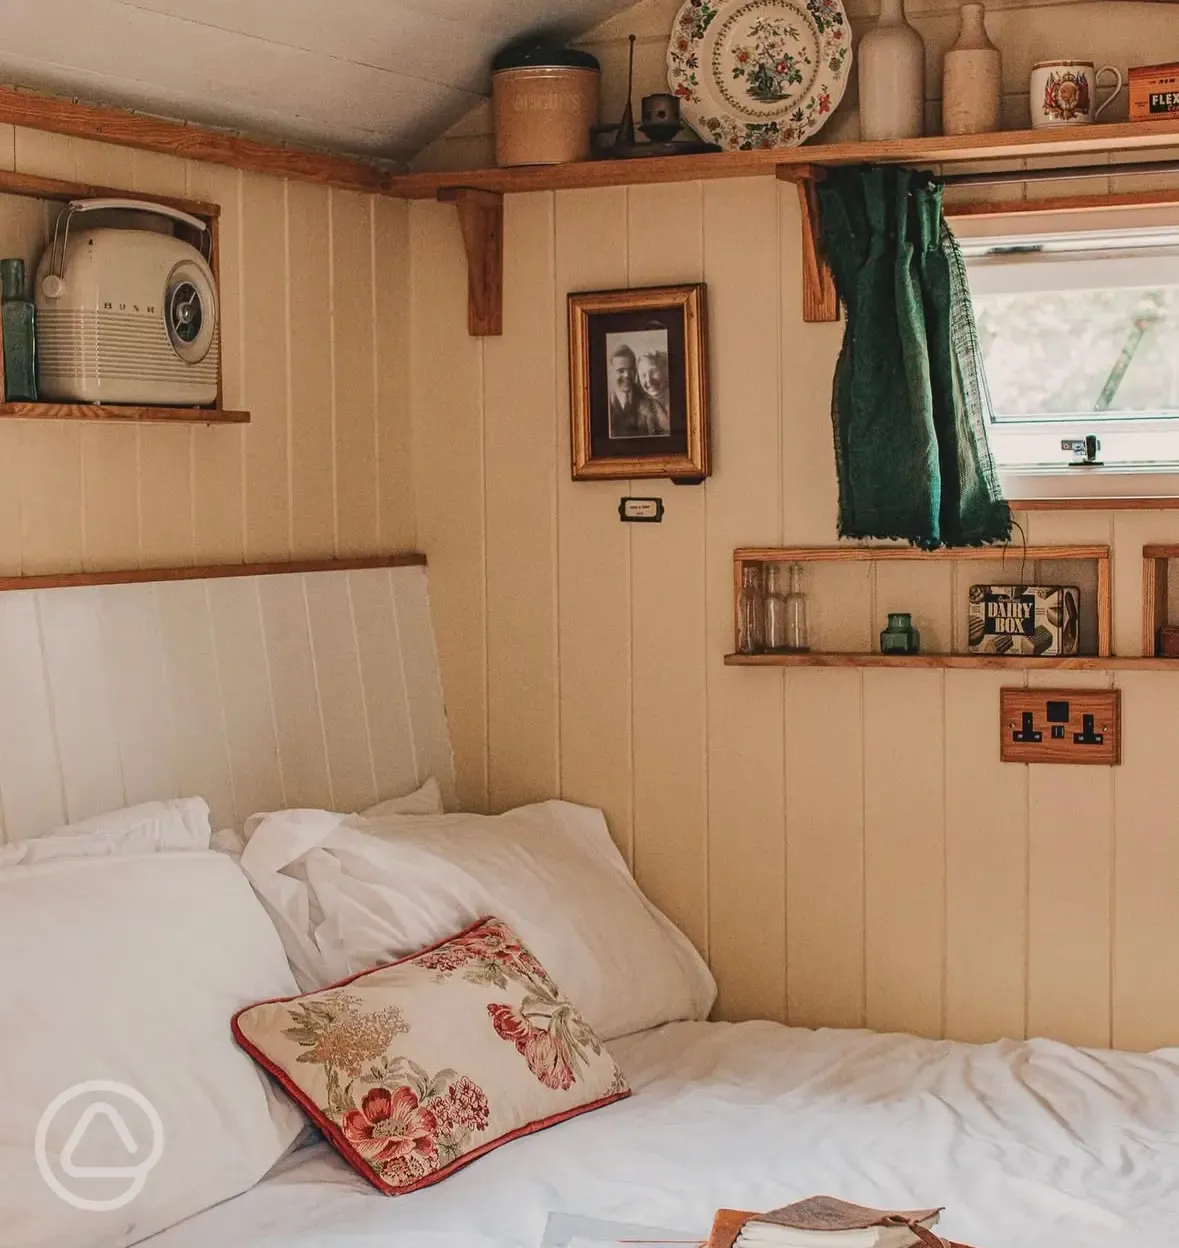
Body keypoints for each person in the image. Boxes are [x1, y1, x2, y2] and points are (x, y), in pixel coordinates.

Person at [608, 343, 667, 439]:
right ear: (611, 373)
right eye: (621, 371)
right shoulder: (603, 402)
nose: (627, 375)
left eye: (631, 369)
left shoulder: (651, 401)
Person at [637, 349, 671, 436]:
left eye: (654, 372)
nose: (649, 380)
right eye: (643, 375)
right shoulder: (642, 410)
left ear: (666, 371)